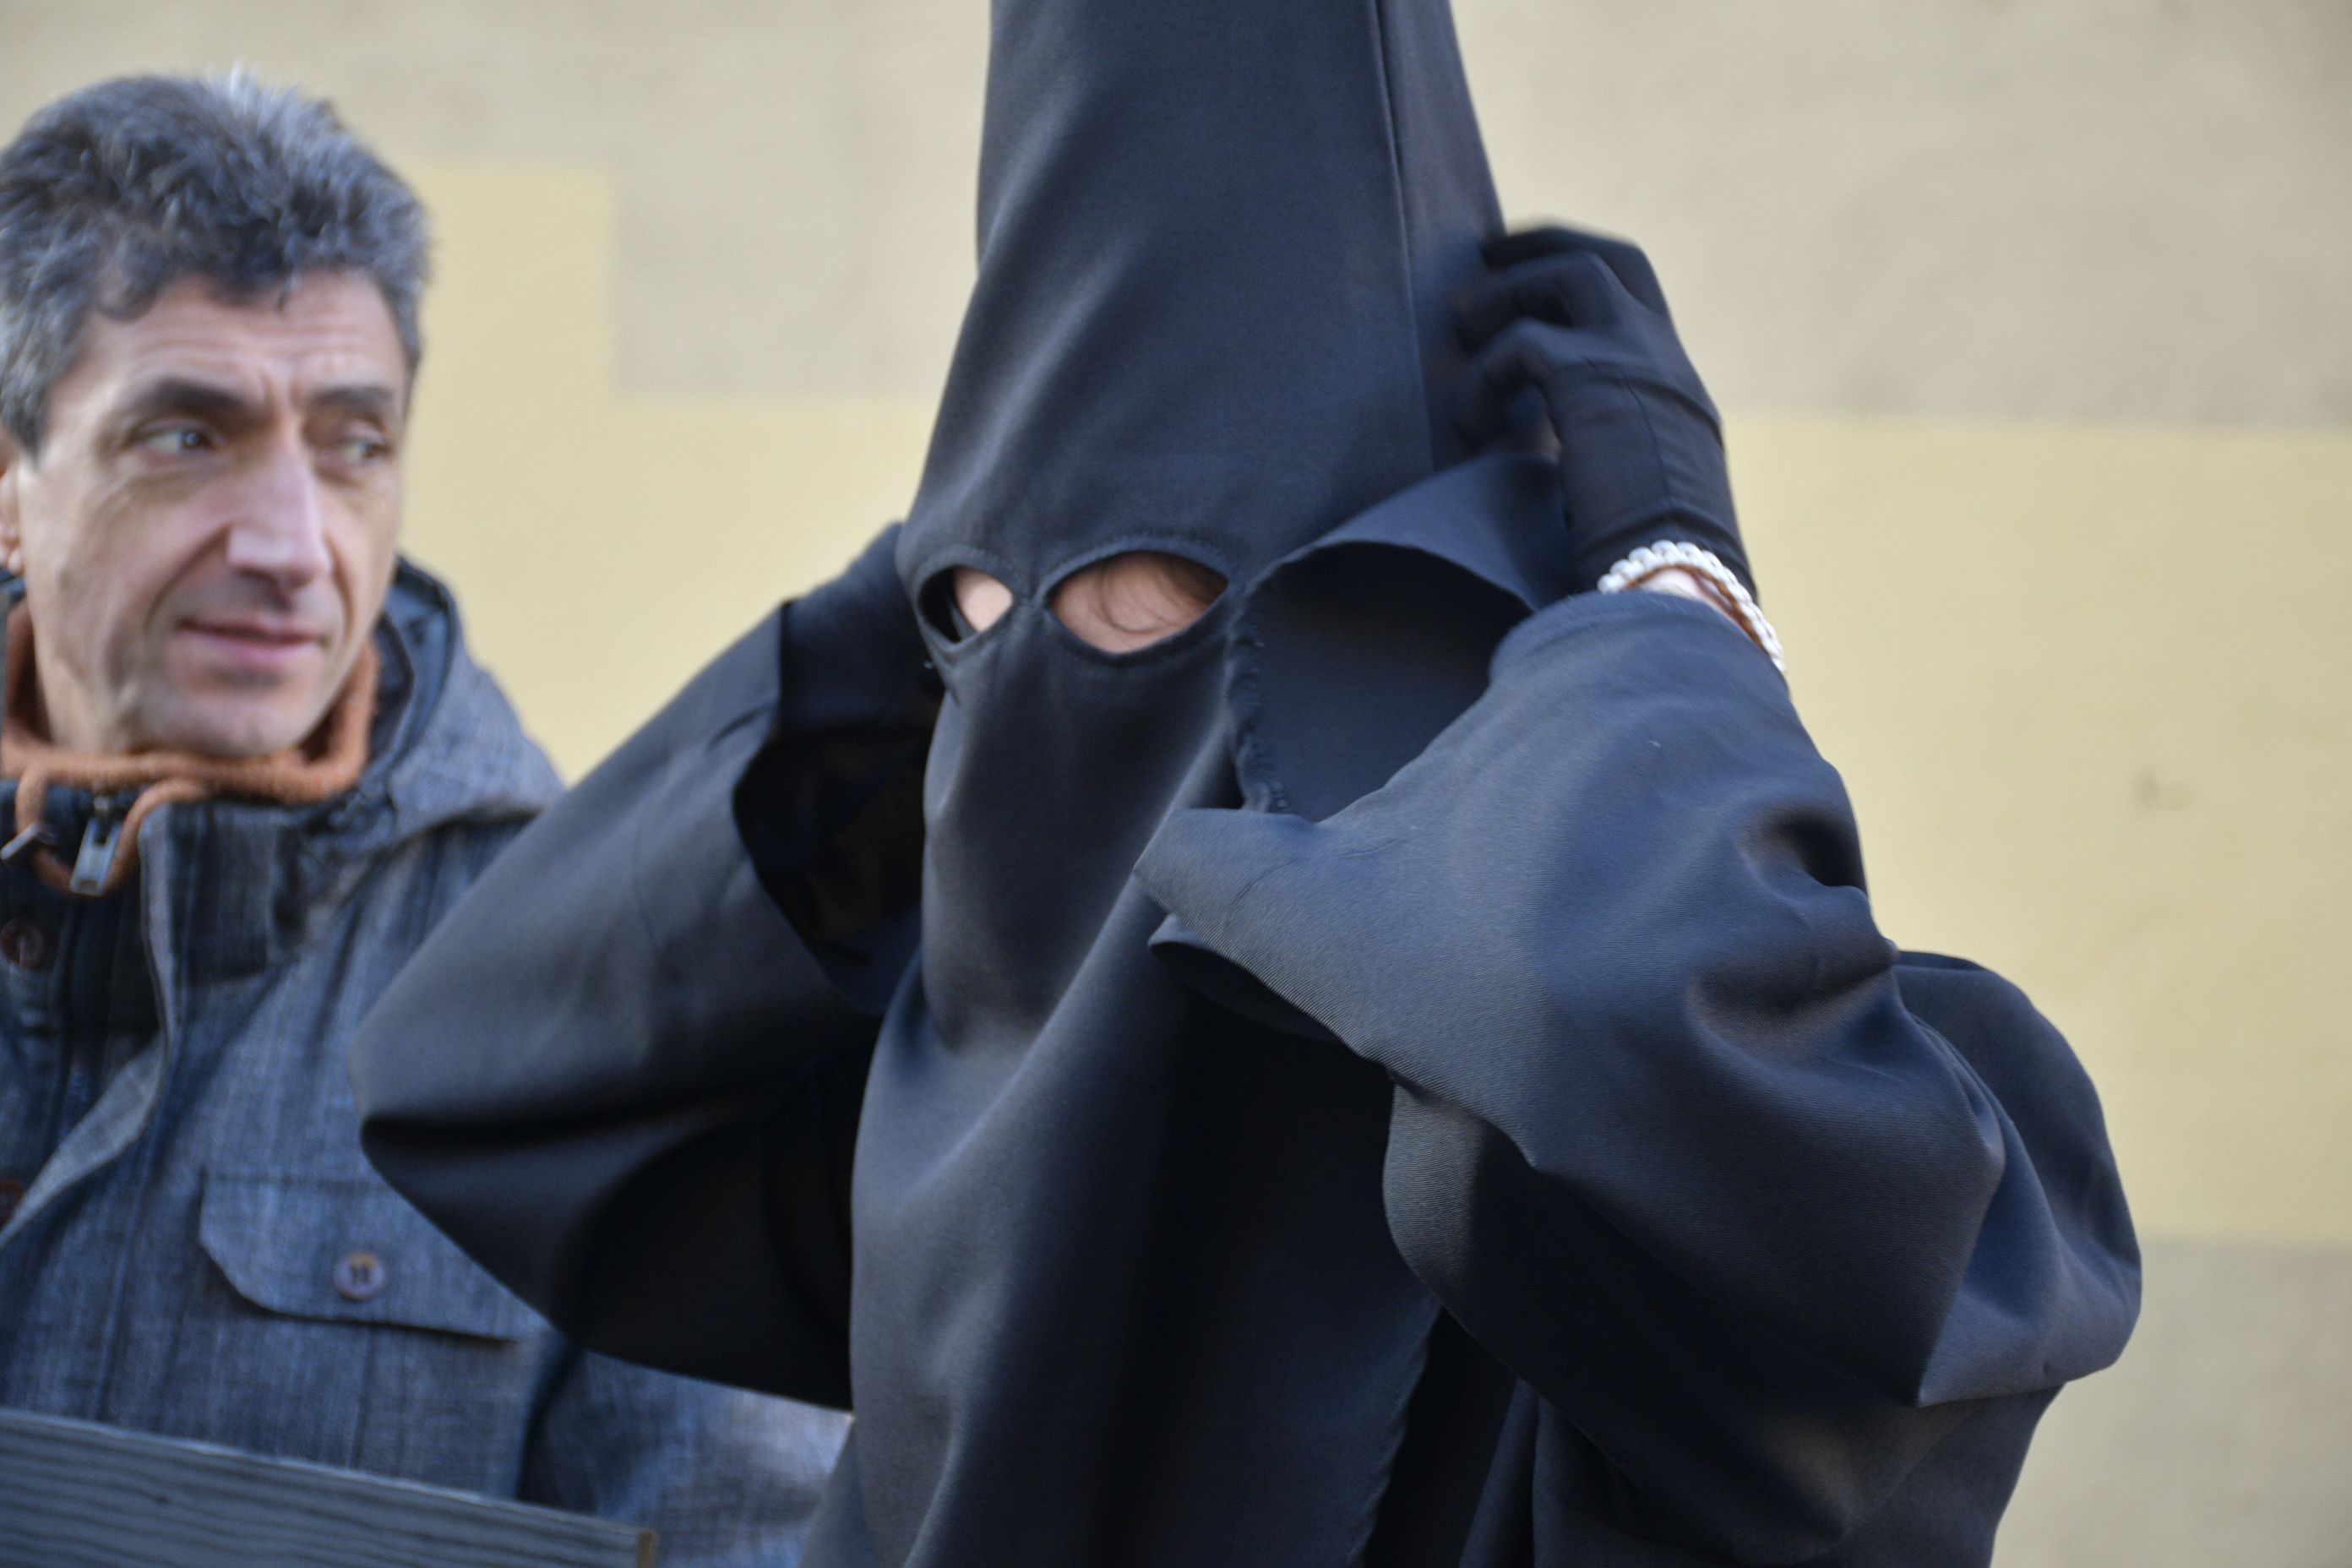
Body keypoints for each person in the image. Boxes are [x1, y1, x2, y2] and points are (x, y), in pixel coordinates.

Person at [351, 1, 2141, 1564]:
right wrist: (931, 606)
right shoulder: (968, 1100)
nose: (1062, 679)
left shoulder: (1604, 1191)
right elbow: (472, 1081)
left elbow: (1627, 1056)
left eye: (1192, 609)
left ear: (1454, 660)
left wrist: (1671, 611)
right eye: (995, 618)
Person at [0, 72, 844, 1564]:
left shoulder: (603, 990)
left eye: (353, 443)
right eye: (186, 436)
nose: (291, 545)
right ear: (15, 485)